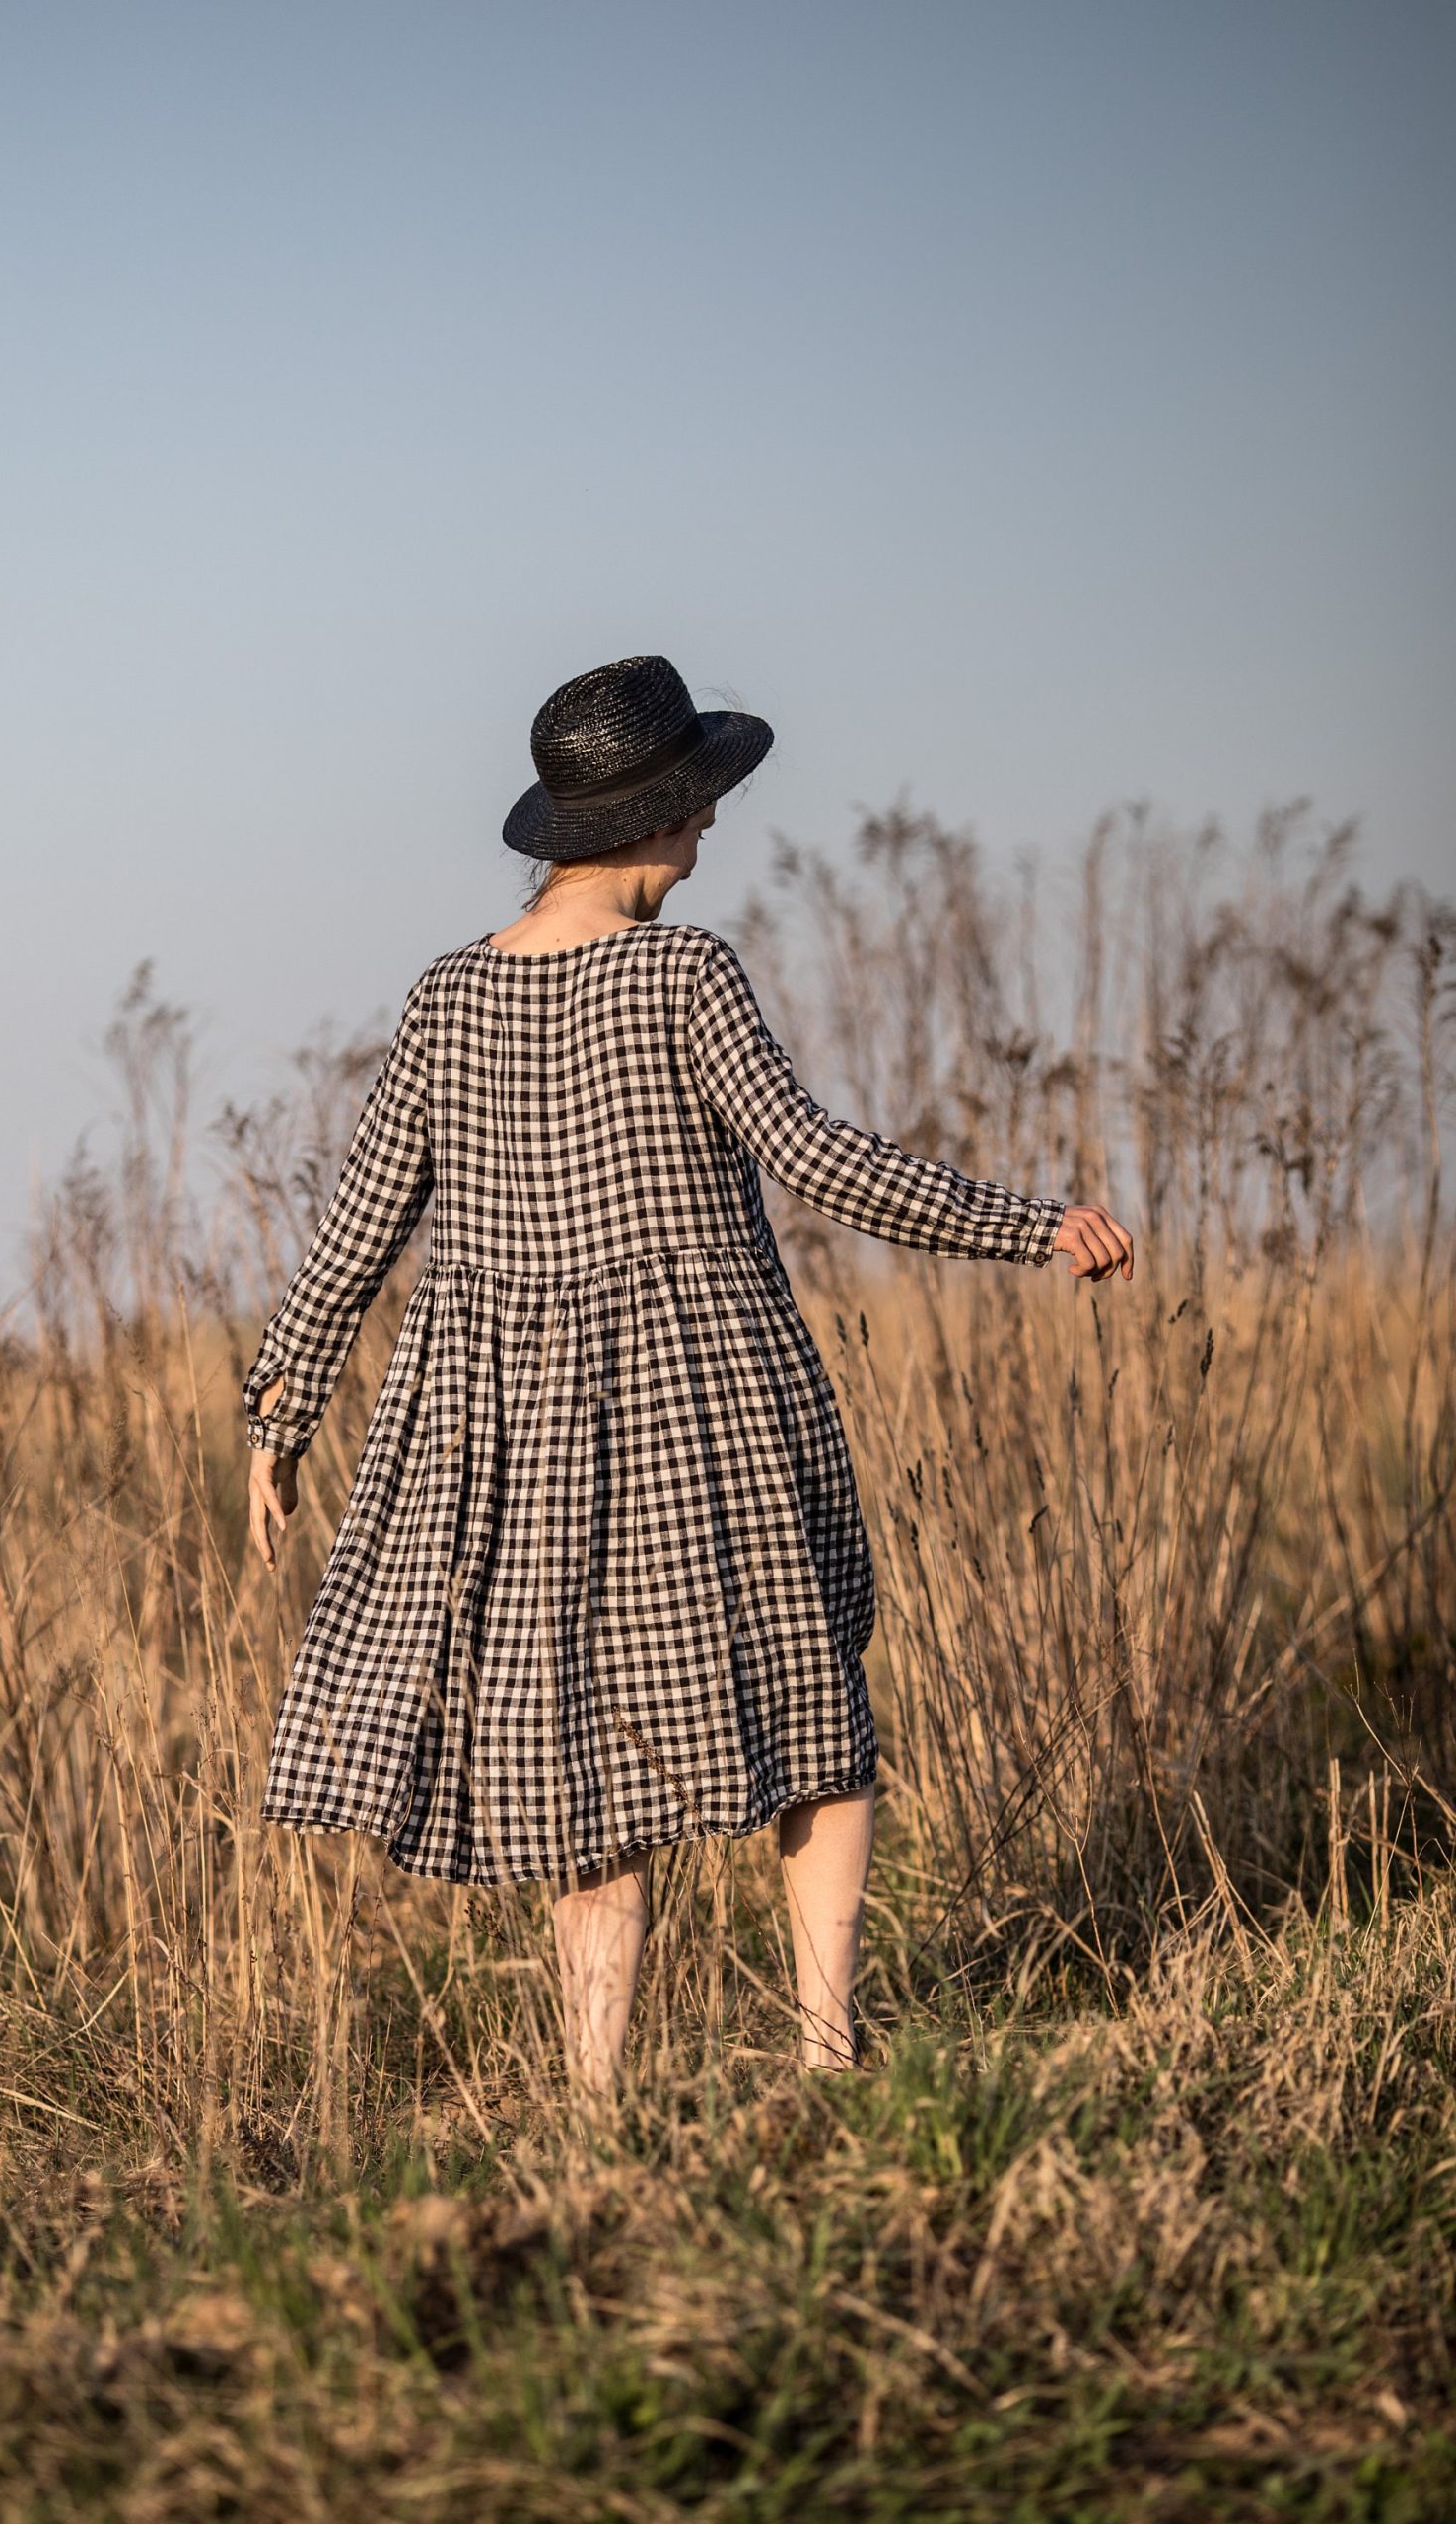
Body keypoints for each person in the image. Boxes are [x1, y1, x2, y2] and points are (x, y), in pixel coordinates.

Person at [243, 655, 1133, 2094]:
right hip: (698, 1406)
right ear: (654, 819)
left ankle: (597, 2103)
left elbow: (357, 1224)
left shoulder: (445, 998)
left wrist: (280, 1413)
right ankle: (830, 2054)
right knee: (809, 1717)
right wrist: (1028, 1226)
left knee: (584, 1761)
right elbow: (819, 1158)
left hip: (510, 1441)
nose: (708, 835)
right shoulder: (683, 974)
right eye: (699, 809)